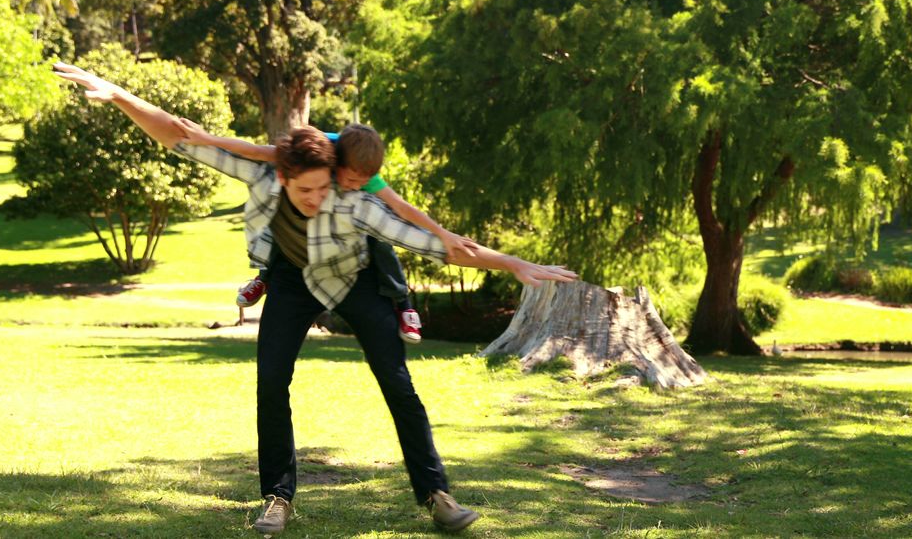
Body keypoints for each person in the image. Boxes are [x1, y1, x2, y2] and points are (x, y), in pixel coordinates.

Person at [52, 62, 578, 534]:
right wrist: (119, 94)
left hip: (355, 282)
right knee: (271, 382)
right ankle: (277, 497)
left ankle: (437, 495)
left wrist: (512, 262)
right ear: (282, 177)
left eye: (325, 188)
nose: (317, 198)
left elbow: (438, 246)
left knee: (398, 384)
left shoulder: (353, 203)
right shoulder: (263, 173)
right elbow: (180, 136)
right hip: (292, 280)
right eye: (306, 191)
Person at [171, 118, 475, 344]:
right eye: (352, 180)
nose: (356, 186)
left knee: (380, 237)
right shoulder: (320, 149)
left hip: (351, 225)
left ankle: (403, 304)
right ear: (337, 162)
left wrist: (442, 234)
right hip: (306, 212)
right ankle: (263, 276)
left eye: (362, 183)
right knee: (282, 213)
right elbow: (256, 151)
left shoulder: (363, 176)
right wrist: (207, 139)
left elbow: (401, 207)